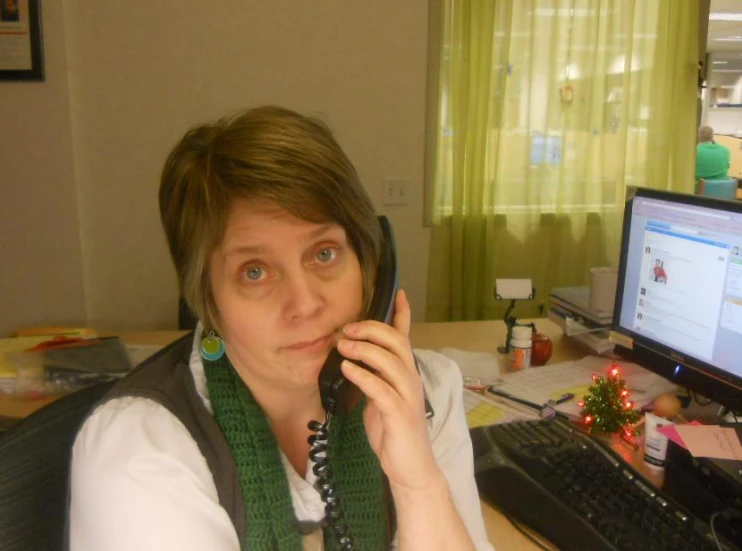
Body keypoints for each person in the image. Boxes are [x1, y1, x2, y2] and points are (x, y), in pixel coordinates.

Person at [68, 106, 493, 550]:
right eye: (255, 272)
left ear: (373, 264)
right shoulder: (139, 446)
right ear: (206, 300)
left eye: (325, 253)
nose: (305, 304)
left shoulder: (425, 393)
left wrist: (419, 485)